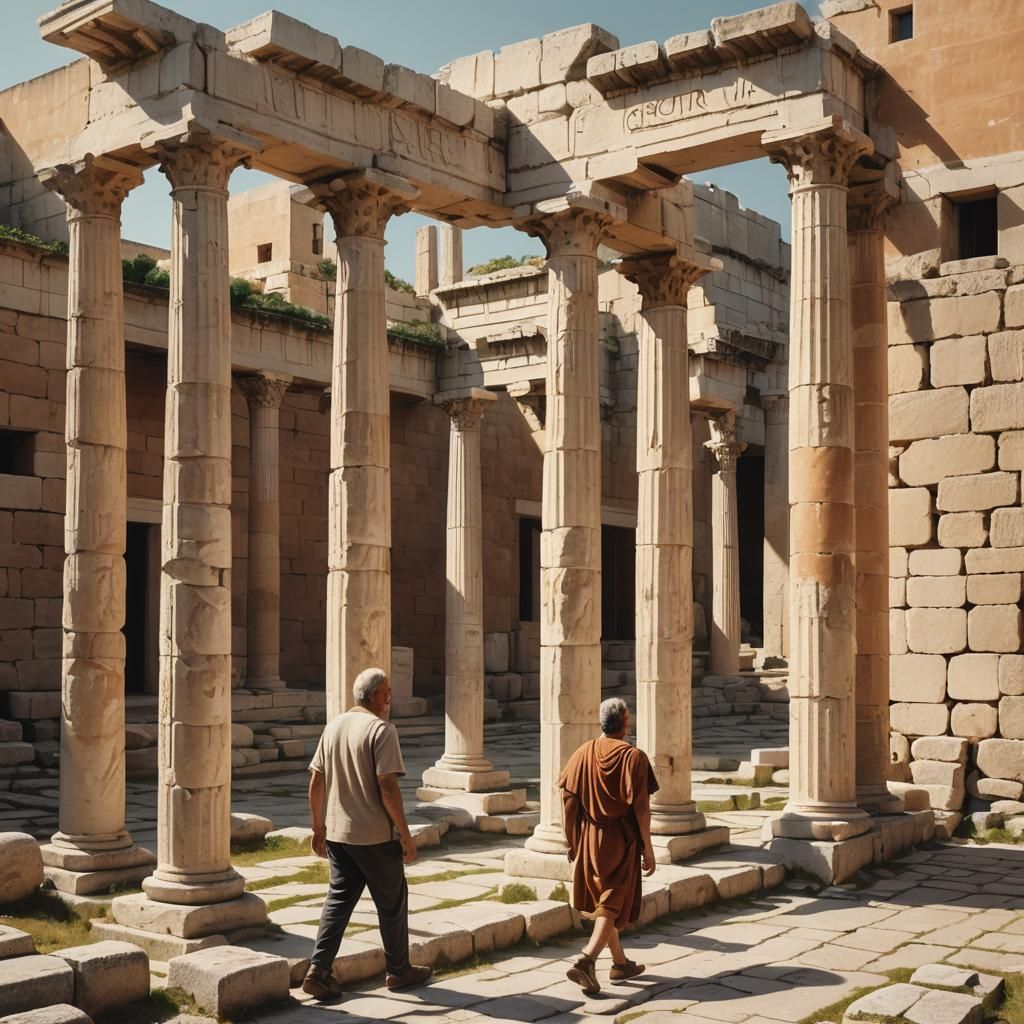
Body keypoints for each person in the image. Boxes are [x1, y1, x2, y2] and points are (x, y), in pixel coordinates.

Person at [302, 667, 432, 1001]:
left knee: (338, 901)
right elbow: (387, 786)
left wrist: (318, 827)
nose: (390, 697)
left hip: (339, 836)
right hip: (374, 836)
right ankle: (399, 970)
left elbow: (316, 780)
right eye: (387, 692)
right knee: (392, 903)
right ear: (375, 695)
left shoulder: (334, 727)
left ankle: (318, 971)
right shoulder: (381, 729)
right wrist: (405, 833)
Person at [558, 696, 658, 997]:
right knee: (611, 904)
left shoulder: (582, 754)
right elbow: (641, 807)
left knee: (606, 905)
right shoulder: (634, 757)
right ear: (625, 724)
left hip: (589, 838)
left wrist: (572, 839)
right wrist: (648, 846)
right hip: (621, 840)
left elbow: (568, 801)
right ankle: (587, 960)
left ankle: (621, 965)